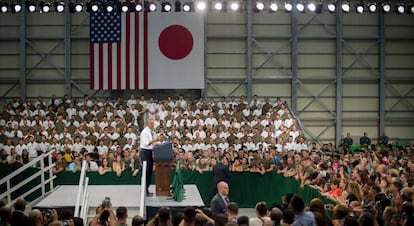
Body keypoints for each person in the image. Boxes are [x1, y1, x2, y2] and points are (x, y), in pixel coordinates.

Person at [140, 119, 162, 196]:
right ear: (147, 124)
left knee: (149, 171)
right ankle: (144, 189)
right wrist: (155, 140)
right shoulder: (145, 132)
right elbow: (146, 144)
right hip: (145, 152)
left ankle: (147, 188)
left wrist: (158, 143)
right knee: (146, 171)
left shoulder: (150, 132)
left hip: (150, 152)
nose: (153, 125)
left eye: (153, 124)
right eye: (151, 123)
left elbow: (151, 143)